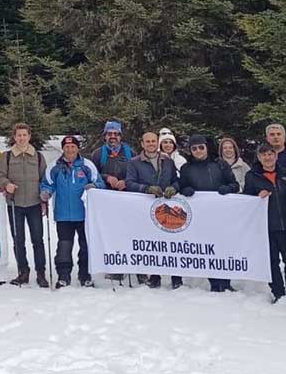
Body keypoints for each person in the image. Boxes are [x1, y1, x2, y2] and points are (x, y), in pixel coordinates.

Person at [178, 135, 239, 292]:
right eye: (194, 148)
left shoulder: (220, 164)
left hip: (221, 213)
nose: (198, 151)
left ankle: (225, 282)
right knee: (207, 247)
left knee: (223, 246)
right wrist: (185, 190)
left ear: (206, 147)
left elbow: (235, 185)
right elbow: (181, 187)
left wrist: (229, 188)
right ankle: (213, 281)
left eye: (201, 147)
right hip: (200, 215)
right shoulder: (186, 168)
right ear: (190, 151)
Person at [243, 143, 286, 301]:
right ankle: (278, 292)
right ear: (259, 157)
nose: (268, 158)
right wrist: (257, 196)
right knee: (271, 262)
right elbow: (246, 201)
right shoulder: (252, 176)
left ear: (276, 156)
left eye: (270, 154)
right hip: (266, 227)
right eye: (264, 155)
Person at [40, 136, 98, 288]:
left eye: (73, 147)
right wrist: (45, 192)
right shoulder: (55, 166)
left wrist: (93, 186)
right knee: (64, 246)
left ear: (77, 148)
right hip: (63, 214)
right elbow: (47, 183)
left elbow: (99, 182)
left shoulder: (87, 165)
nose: (70, 150)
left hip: (84, 214)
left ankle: (85, 274)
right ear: (63, 149)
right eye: (67, 147)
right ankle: (63, 275)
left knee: (85, 245)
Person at [0, 124, 49, 288]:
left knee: (38, 240)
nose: (21, 138)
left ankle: (41, 273)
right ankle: (23, 272)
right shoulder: (7, 157)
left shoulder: (38, 156)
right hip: (15, 204)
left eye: (24, 135)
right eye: (18, 135)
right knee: (18, 240)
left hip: (34, 203)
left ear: (29, 136)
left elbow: (44, 179)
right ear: (14, 137)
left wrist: (44, 199)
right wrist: (6, 184)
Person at [126, 131, 181, 288]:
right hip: (146, 207)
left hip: (166, 206)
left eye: (153, 141)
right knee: (152, 242)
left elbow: (177, 181)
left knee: (171, 242)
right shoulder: (134, 162)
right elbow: (129, 183)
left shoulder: (167, 161)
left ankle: (176, 277)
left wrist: (174, 188)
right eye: (147, 141)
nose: (151, 144)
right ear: (142, 144)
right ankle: (154, 276)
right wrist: (146, 188)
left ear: (158, 143)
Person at [90, 120, 133, 193]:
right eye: (109, 134)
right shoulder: (97, 154)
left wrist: (126, 182)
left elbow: (136, 175)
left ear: (120, 136)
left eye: (116, 134)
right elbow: (93, 176)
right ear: (105, 136)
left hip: (126, 194)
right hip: (105, 194)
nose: (113, 136)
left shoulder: (131, 153)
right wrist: (107, 178)